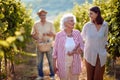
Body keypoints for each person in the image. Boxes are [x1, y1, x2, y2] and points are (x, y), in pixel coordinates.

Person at [52, 13, 84, 80]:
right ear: (65, 23)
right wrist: (54, 65)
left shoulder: (77, 33)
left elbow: (82, 47)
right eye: (71, 21)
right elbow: (55, 52)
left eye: (73, 21)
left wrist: (75, 51)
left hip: (75, 60)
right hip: (62, 61)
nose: (73, 22)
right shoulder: (59, 35)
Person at [81, 6, 108, 80]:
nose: (89, 15)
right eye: (89, 14)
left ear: (97, 13)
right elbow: (81, 39)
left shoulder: (105, 25)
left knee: (98, 77)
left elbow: (106, 39)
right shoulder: (87, 26)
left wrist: (105, 50)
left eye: (91, 13)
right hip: (89, 54)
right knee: (90, 77)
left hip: (101, 55)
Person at [31, 9, 55, 80]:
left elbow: (54, 34)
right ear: (39, 16)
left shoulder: (50, 24)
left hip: (49, 44)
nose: (43, 16)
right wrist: (36, 38)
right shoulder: (36, 24)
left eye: (44, 15)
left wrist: (48, 34)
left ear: (46, 15)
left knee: (51, 61)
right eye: (41, 15)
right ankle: (40, 76)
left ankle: (52, 75)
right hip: (40, 45)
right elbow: (32, 33)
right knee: (39, 62)